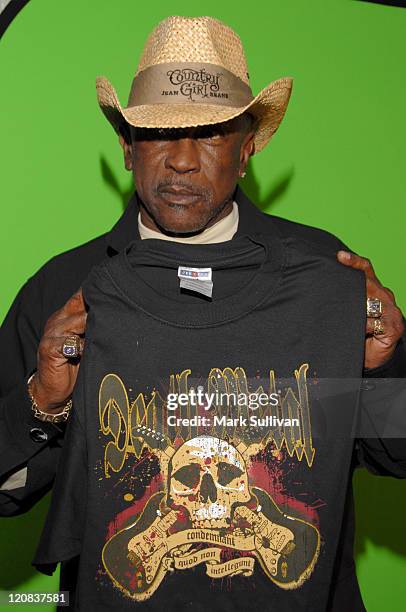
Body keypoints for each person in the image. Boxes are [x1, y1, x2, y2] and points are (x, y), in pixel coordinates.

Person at [0, 14, 405, 610]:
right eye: (160, 134)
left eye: (212, 134)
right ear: (127, 148)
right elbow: (6, 493)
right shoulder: (67, 291)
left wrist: (382, 365)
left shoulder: (326, 272)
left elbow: (394, 456)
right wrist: (43, 401)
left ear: (246, 153)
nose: (183, 161)